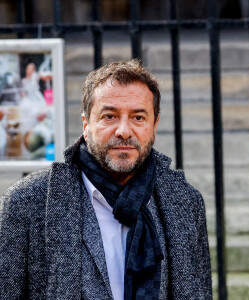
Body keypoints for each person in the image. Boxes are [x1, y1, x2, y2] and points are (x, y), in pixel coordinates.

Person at [0, 60, 212, 299]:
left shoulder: (185, 202)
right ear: (86, 124)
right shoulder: (27, 202)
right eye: (109, 116)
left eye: (138, 118)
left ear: (154, 126)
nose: (123, 130)